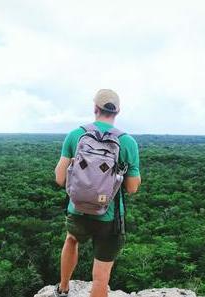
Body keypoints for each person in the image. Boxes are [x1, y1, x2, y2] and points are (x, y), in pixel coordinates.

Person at [54, 89, 141, 297]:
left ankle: (63, 288)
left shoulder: (76, 135)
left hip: (78, 209)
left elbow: (59, 178)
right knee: (101, 276)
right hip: (109, 217)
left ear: (95, 108)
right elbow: (131, 188)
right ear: (117, 111)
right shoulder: (127, 142)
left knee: (71, 239)